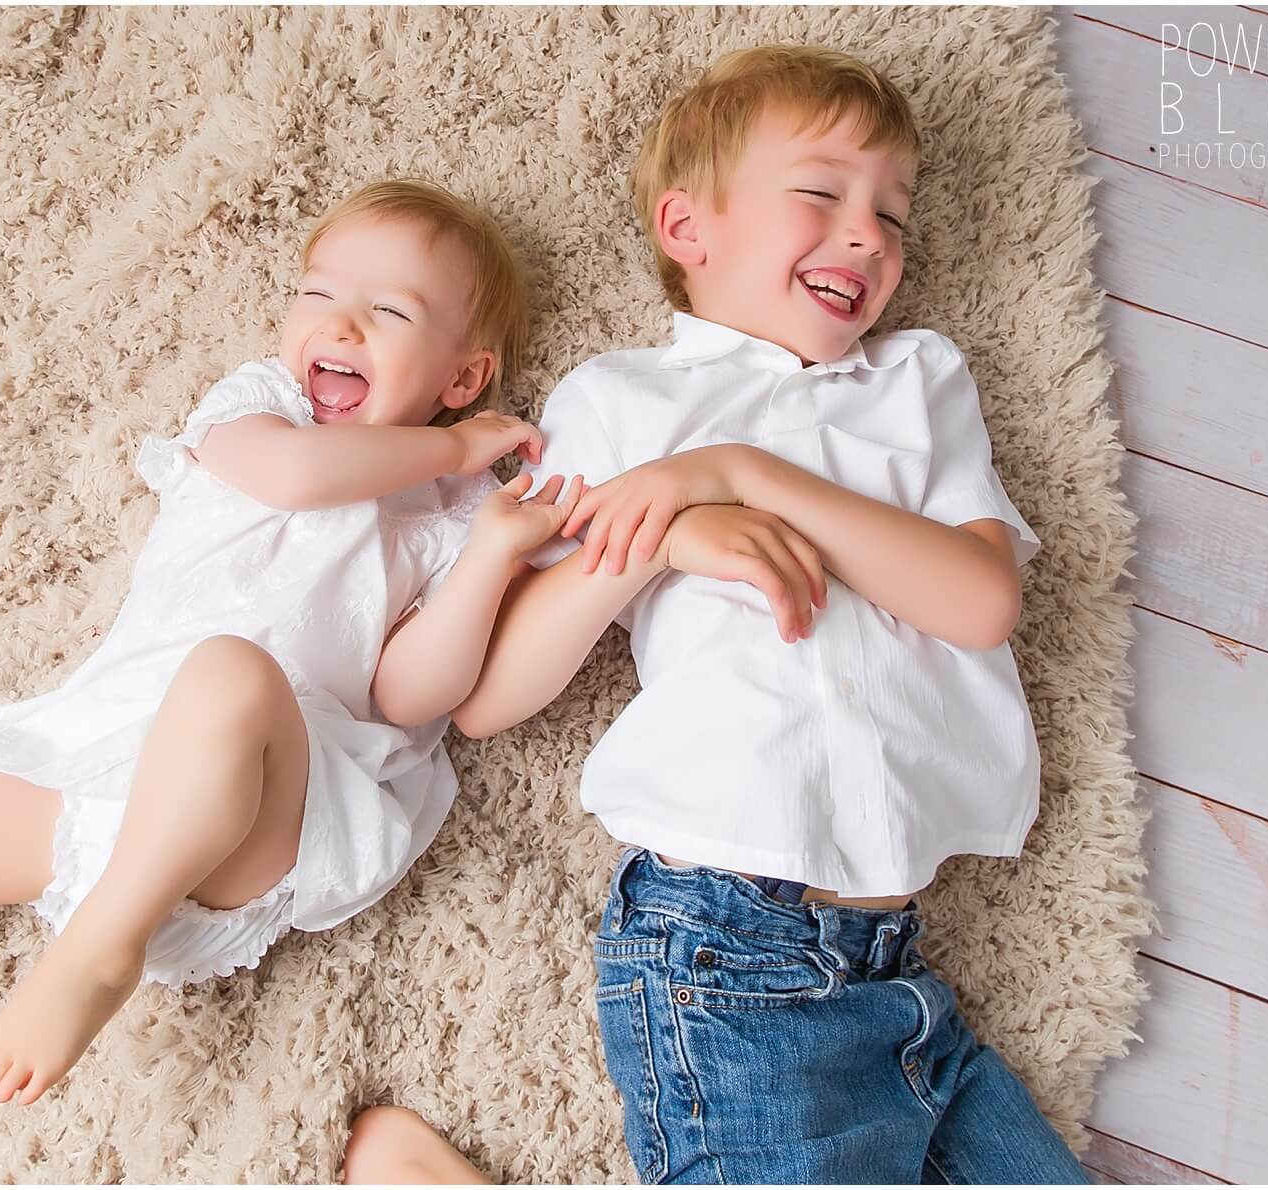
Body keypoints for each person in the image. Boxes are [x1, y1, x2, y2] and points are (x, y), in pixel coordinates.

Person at [345, 46, 1091, 1185]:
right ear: (689, 229)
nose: (870, 234)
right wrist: (652, 540)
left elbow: (980, 600)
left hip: (894, 971)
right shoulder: (625, 397)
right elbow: (489, 697)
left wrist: (740, 471)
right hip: (721, 937)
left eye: (893, 211)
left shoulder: (917, 384)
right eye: (822, 193)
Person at [0, 179, 583, 1184]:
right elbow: (296, 476)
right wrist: (451, 442)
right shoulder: (255, 407)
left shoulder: (451, 516)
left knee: (233, 675)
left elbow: (418, 694)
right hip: (108, 769)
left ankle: (95, 954)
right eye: (318, 294)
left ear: (464, 375)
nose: (337, 323)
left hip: (272, 812)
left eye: (387, 313)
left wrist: (491, 558)